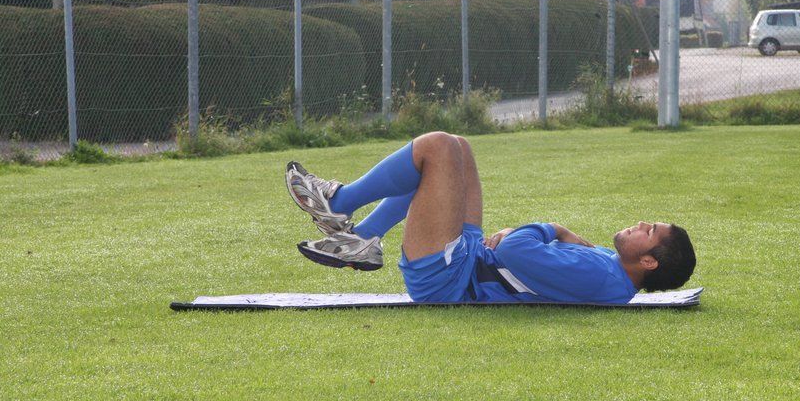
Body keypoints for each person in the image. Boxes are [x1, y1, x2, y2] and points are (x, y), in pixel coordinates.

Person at [285, 131, 695, 304]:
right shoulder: (612, 269)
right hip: (467, 259)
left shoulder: (601, 276)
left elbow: (516, 250)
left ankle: (340, 203)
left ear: (648, 262)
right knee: (458, 149)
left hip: (447, 278)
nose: (642, 224)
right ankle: (362, 238)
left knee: (437, 148)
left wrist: (554, 228)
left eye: (650, 231)